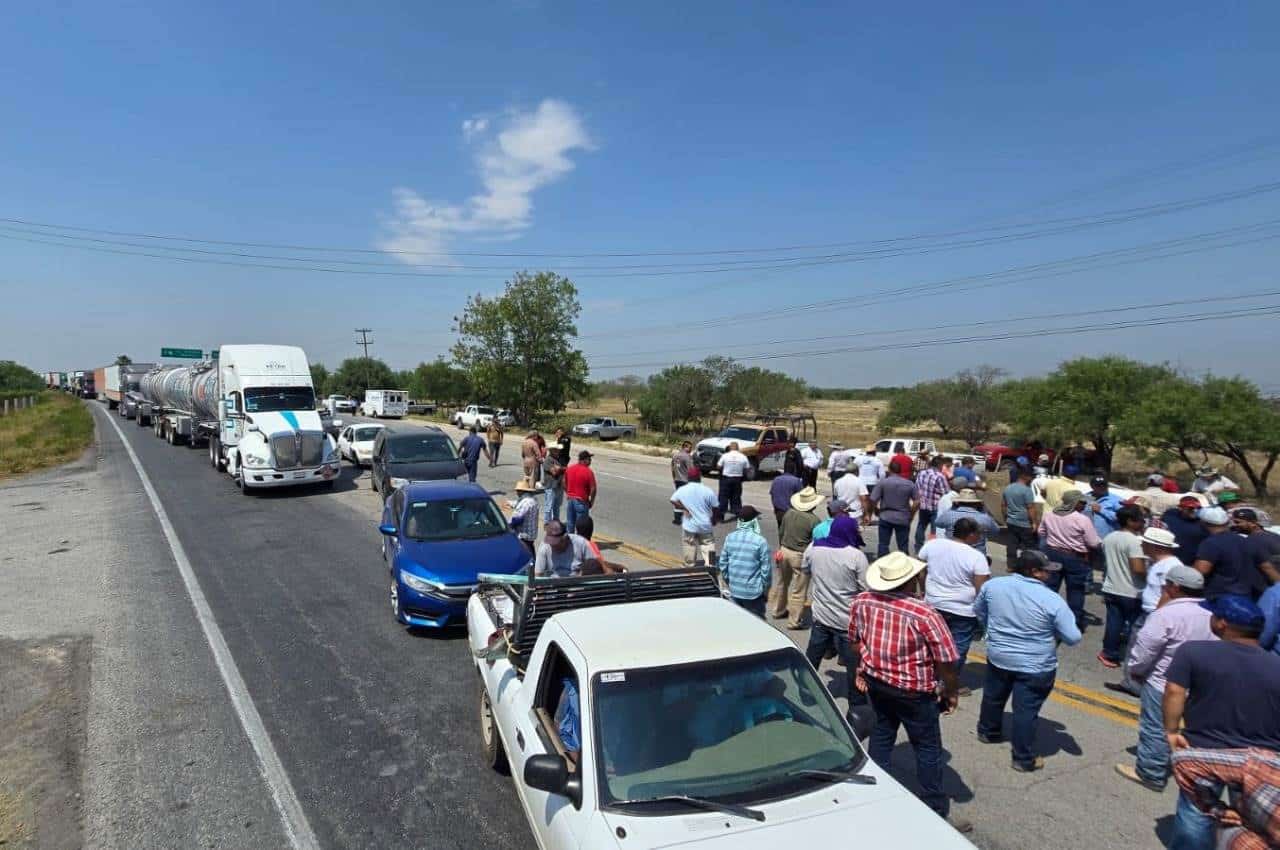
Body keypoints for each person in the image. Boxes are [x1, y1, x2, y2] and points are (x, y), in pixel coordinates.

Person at [849, 552, 965, 828]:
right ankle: (933, 808)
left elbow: (854, 642)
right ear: (911, 580)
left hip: (878, 683)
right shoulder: (924, 613)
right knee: (927, 748)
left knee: (882, 736)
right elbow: (947, 659)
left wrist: (865, 665)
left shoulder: (862, 601)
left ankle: (880, 792)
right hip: (914, 692)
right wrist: (951, 690)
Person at [1163, 595, 1280, 850]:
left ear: (1222, 624)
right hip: (1259, 759)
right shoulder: (1276, 665)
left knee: (1196, 813)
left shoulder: (1193, 651)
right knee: (1249, 824)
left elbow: (1174, 691)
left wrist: (1171, 731)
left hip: (1204, 750)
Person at [974, 550, 1082, 772]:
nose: (1050, 575)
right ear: (1034, 572)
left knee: (994, 696)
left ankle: (988, 731)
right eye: (1045, 571)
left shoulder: (994, 586)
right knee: (1025, 711)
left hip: (999, 655)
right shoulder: (1052, 600)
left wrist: (992, 631)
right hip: (1035, 664)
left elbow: (979, 611)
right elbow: (1073, 636)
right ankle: (1023, 758)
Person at [1113, 565, 1213, 791]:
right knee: (1193, 729)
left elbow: (1145, 650)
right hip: (1200, 685)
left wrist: (1135, 671)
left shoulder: (1165, 615)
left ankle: (1150, 773)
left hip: (1164, 683)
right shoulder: (1212, 615)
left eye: (1167, 585)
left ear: (1175, 587)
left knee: (1156, 727)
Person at [804, 514, 870, 712]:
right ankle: (856, 707)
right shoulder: (856, 556)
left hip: (821, 616)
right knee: (854, 667)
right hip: (847, 623)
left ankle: (805, 693)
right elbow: (866, 588)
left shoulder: (814, 548)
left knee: (812, 658)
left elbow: (805, 569)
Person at [1171, 747, 1280, 850]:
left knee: (1231, 826)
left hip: (1222, 747)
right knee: (1240, 821)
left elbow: (1185, 763)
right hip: (1257, 759)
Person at [920, 518, 991, 675]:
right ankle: (948, 684)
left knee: (932, 644)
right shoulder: (977, 557)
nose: (980, 537)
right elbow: (982, 589)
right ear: (971, 535)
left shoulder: (932, 545)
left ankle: (930, 677)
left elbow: (921, 569)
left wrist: (924, 591)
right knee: (957, 649)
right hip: (963, 612)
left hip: (933, 604)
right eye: (979, 534)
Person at [1037, 489, 1103, 629]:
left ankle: (1044, 617)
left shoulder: (1049, 515)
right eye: (1082, 502)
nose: (1084, 504)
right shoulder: (1082, 519)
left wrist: (1056, 538)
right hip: (1075, 558)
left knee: (1050, 587)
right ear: (1074, 503)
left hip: (1052, 553)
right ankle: (1073, 622)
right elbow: (1093, 542)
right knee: (1075, 591)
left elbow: (1041, 532)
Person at [1098, 506, 1148, 669]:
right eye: (1140, 519)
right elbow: (1138, 569)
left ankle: (1109, 652)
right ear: (1130, 521)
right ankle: (1134, 657)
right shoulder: (1134, 541)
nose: (1143, 523)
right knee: (1135, 626)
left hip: (1111, 587)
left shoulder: (1109, 537)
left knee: (1114, 622)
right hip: (1132, 590)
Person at [772, 486, 823, 628]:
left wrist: (780, 548)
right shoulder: (814, 520)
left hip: (784, 550)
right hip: (799, 555)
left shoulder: (788, 513)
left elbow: (781, 532)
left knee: (782, 583)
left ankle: (777, 610)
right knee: (799, 590)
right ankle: (794, 621)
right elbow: (815, 543)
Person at [1194, 507, 1256, 600]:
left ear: (1203, 523)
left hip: (1220, 597)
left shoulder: (1210, 543)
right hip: (1245, 594)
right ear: (1227, 523)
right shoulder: (1242, 540)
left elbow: (1200, 571)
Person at [719, 506, 771, 616]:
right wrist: (765, 589)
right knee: (757, 624)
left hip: (734, 590)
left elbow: (723, 564)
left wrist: (729, 581)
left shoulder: (730, 537)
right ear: (754, 521)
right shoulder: (760, 541)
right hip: (753, 593)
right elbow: (766, 571)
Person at [869, 460, 918, 559]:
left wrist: (875, 510)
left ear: (889, 469)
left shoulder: (883, 483)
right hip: (903, 517)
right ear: (900, 470)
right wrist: (911, 514)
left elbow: (873, 499)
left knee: (883, 544)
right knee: (903, 546)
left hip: (885, 516)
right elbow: (917, 501)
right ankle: (904, 567)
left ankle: (882, 565)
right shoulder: (909, 484)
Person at [671, 469, 718, 567]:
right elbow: (715, 506)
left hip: (689, 524)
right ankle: (710, 565)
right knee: (708, 544)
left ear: (688, 478)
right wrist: (714, 519)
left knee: (689, 543)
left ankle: (689, 564)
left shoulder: (683, 489)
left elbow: (673, 500)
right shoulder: (707, 490)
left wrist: (685, 508)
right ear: (699, 477)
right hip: (705, 523)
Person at [934, 489, 1001, 555]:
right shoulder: (984, 518)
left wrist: (952, 508)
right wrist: (984, 511)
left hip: (953, 553)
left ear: (958, 502)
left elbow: (937, 523)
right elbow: (996, 530)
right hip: (977, 554)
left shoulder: (949, 515)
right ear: (976, 503)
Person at [1001, 464, 1040, 560]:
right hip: (1024, 524)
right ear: (1025, 476)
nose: (1032, 478)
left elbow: (1003, 505)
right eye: (1031, 476)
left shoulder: (1008, 488)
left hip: (1011, 522)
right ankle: (1029, 566)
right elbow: (1031, 508)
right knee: (1030, 547)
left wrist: (1005, 518)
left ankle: (1011, 565)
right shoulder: (1027, 490)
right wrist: (1034, 523)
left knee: (1011, 544)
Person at [914, 456, 950, 552]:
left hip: (923, 505)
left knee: (921, 526)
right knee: (934, 530)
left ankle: (918, 547)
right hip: (935, 506)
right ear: (939, 465)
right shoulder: (939, 476)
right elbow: (946, 492)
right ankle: (931, 549)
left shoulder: (921, 473)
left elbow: (916, 487)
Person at [1164, 496, 1209, 566]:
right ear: (1181, 508)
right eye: (1191, 508)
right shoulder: (1170, 516)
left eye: (1198, 508)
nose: (1195, 510)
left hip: (1192, 563)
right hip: (1170, 561)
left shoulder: (1205, 523)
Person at [563, 450, 597, 535]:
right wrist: (591, 501)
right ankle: (580, 544)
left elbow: (563, 482)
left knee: (570, 524)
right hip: (581, 502)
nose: (590, 461)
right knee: (582, 527)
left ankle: (570, 543)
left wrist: (568, 492)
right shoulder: (588, 472)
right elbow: (593, 489)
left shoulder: (570, 469)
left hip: (570, 500)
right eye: (589, 459)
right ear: (584, 460)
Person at [716, 441, 750, 523]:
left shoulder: (725, 456)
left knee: (723, 497)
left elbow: (718, 466)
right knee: (736, 497)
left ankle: (721, 517)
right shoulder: (743, 457)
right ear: (738, 448)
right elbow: (747, 468)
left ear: (730, 447)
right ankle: (738, 514)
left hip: (726, 478)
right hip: (737, 479)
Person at [508, 477, 541, 556]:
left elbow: (517, 519)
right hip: (532, 533)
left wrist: (508, 526)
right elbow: (518, 503)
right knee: (530, 548)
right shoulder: (532, 500)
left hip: (524, 534)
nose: (516, 493)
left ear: (521, 491)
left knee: (525, 552)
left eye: (517, 491)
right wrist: (509, 503)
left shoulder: (525, 502)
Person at [1084, 475, 1123, 541]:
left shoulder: (1116, 500)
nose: (1102, 487)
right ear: (1092, 486)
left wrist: (1102, 510)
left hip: (1106, 540)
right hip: (1087, 539)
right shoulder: (1085, 497)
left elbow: (1122, 518)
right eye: (1098, 485)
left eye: (1104, 485)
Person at [768, 466, 804, 531]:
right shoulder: (796, 481)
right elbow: (802, 497)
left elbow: (772, 495)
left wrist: (775, 508)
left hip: (779, 512)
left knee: (781, 531)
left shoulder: (776, 479)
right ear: (794, 471)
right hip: (792, 513)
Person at [670, 441, 694, 525]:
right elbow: (691, 470)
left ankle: (677, 518)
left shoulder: (675, 455)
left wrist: (674, 478)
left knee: (678, 499)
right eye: (690, 448)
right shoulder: (687, 457)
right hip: (685, 481)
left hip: (677, 480)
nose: (691, 449)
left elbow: (672, 468)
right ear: (685, 447)